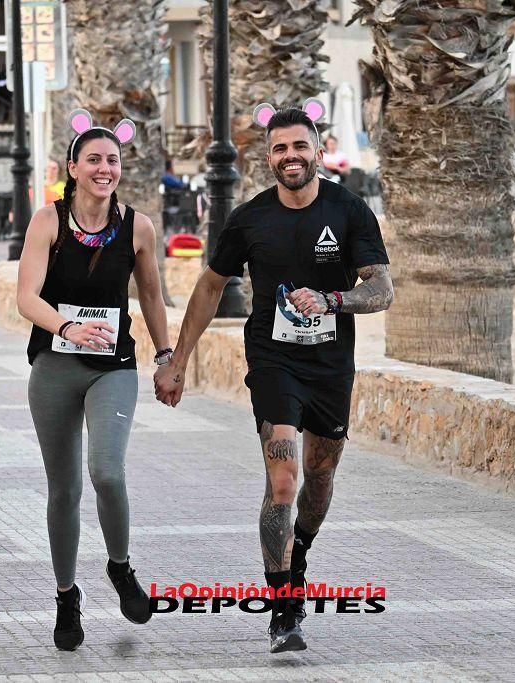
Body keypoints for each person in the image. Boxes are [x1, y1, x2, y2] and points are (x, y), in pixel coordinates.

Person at [154, 100, 394, 653]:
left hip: (331, 364)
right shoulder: (250, 219)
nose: (291, 156)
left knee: (322, 473)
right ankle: (284, 607)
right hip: (273, 361)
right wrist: (178, 360)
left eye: (300, 146)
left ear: (318, 151)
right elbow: (211, 286)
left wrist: (332, 300)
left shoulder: (349, 209)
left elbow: (381, 289)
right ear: (269, 158)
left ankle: (299, 549)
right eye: (280, 148)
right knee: (282, 478)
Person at [16, 110, 171, 651]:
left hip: (114, 367)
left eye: (112, 160)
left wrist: (167, 355)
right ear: (73, 168)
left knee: (107, 471)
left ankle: (121, 568)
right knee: (65, 488)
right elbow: (26, 297)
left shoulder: (139, 226)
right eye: (94, 160)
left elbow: (151, 295)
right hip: (55, 366)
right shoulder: (48, 221)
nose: (104, 168)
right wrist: (67, 326)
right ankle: (66, 595)